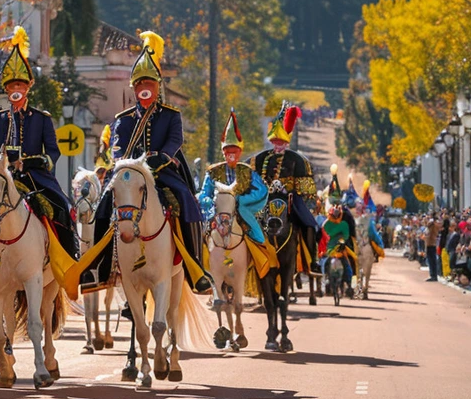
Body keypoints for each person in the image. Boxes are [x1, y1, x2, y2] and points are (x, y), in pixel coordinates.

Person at [77, 31, 212, 295]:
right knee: (104, 203)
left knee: (186, 199)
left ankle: (195, 268)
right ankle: (100, 268)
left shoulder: (171, 115)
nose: (144, 88)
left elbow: (175, 140)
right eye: (140, 84)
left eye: (149, 82)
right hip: (131, 174)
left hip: (162, 172)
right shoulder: (124, 119)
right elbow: (117, 149)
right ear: (135, 89)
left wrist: (161, 157)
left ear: (158, 86)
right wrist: (125, 163)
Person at [0, 26, 78, 282]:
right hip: (0, 175)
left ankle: (69, 262)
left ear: (28, 88)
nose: (16, 89)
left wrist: (30, 162)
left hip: (34, 175)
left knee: (60, 206)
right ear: (6, 88)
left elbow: (52, 153)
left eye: (20, 85)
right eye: (12, 85)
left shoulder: (42, 119)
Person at [251, 102, 320, 272]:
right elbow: (253, 180)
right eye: (275, 142)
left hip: (290, 199)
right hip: (265, 198)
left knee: (309, 224)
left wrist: (289, 189)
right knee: (246, 222)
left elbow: (306, 188)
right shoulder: (261, 159)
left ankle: (312, 261)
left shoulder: (297, 160)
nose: (277, 146)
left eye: (281, 142)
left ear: (287, 143)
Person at [198, 109, 268, 246]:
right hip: (218, 210)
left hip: (240, 210)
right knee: (201, 235)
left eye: (234, 152)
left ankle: (260, 247)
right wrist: (211, 201)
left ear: (240, 153)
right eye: (227, 153)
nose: (231, 156)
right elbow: (203, 193)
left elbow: (261, 191)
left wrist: (241, 200)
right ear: (223, 153)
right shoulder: (213, 171)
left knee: (255, 231)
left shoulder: (247, 171)